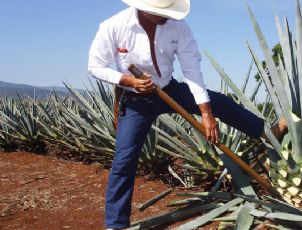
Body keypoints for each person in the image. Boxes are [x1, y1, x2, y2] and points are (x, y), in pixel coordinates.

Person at [88, 0, 287, 229]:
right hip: (135, 100)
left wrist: (206, 112)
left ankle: (264, 131)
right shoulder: (113, 26)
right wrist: (127, 80)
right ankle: (116, 224)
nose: (169, 16)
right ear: (145, 8)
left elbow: (191, 68)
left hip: (169, 89)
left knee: (221, 102)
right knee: (124, 159)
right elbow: (95, 66)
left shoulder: (178, 26)